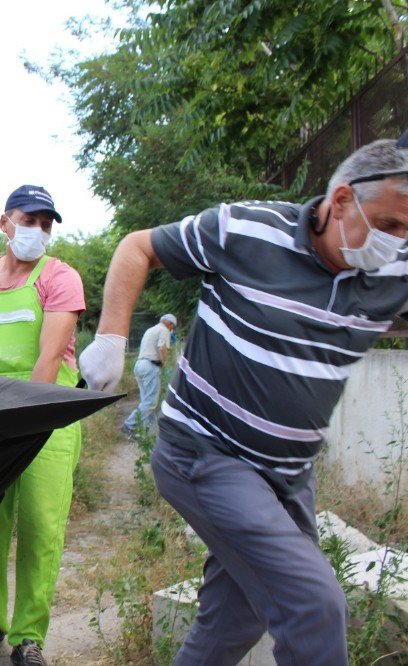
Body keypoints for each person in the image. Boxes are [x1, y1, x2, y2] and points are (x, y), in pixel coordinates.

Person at [79, 133, 408, 665]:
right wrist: (112, 337)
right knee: (314, 606)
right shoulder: (247, 229)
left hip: (289, 475)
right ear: (343, 199)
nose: (397, 241)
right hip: (206, 455)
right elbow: (138, 246)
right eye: (390, 225)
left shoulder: (392, 270)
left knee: (234, 620)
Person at [0, 185, 85, 666]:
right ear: (4, 222)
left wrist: (26, 424)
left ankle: (29, 637)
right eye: (30, 221)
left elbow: (49, 357)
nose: (39, 231)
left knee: (40, 525)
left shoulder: (61, 278)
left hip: (45, 416)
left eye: (46, 224)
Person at [121, 313, 176, 437]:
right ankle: (129, 425)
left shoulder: (151, 329)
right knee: (150, 402)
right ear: (170, 324)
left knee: (147, 401)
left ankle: (149, 431)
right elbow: (161, 348)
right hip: (151, 366)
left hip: (140, 365)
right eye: (173, 327)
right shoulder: (164, 330)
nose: (172, 330)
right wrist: (164, 364)